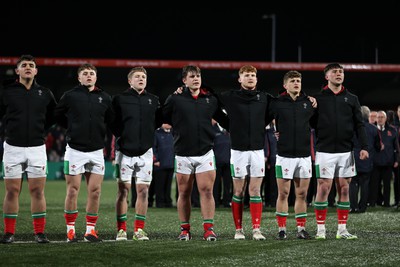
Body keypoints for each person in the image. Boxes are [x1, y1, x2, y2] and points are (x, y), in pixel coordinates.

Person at [163, 65, 228, 241]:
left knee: (207, 191)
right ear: (184, 80)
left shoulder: (210, 100)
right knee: (184, 193)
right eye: (191, 76)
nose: (196, 79)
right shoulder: (174, 99)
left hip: (205, 152)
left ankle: (208, 229)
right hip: (183, 153)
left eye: (198, 76)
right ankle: (185, 230)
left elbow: (227, 121)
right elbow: (161, 118)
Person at [55, 63, 114, 243]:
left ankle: (90, 231)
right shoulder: (70, 96)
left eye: (92, 73)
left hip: (96, 151)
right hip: (75, 150)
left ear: (96, 77)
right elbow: (57, 115)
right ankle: (70, 230)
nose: (89, 76)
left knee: (95, 191)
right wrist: (72, 128)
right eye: (85, 73)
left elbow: (110, 120)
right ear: (79, 78)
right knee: (72, 191)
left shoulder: (104, 97)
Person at [0, 55, 57, 243]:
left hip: (36, 148)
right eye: (23, 65)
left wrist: (40, 130)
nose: (27, 68)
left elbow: (52, 116)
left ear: (36, 71)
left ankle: (39, 232)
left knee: (38, 191)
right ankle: (9, 233)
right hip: (12, 147)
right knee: (11, 191)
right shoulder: (6, 91)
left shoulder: (45, 93)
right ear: (17, 71)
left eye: (31, 65)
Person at [312, 63, 369, 240]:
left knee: (344, 188)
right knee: (323, 188)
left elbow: (359, 125)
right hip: (324, 150)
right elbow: (311, 123)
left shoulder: (352, 98)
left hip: (346, 151)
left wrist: (364, 147)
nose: (339, 74)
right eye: (335, 72)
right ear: (326, 76)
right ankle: (320, 229)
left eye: (341, 72)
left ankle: (342, 229)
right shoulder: (318, 98)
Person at [218, 65, 274, 240]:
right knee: (239, 191)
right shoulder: (229, 96)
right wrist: (231, 126)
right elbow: (212, 105)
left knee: (256, 190)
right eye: (246, 75)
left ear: (256, 79)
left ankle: (256, 229)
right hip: (238, 151)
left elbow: (280, 107)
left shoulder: (265, 98)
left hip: (257, 150)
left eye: (253, 75)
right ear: (239, 79)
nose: (250, 78)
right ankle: (239, 230)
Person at [111, 66, 163, 241]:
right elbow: (112, 123)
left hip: (145, 153)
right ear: (129, 80)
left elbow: (156, 122)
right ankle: (121, 230)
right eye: (137, 77)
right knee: (123, 191)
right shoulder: (119, 99)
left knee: (143, 191)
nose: (141, 79)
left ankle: (139, 230)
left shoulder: (153, 100)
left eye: (143, 77)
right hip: (123, 153)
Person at [270, 70, 316, 240]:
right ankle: (282, 229)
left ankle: (301, 229)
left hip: (304, 155)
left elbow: (317, 123)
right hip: (284, 155)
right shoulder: (277, 102)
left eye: (298, 81)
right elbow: (264, 119)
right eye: (293, 81)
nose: (296, 83)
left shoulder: (309, 102)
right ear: (285, 85)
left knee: (302, 194)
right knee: (283, 193)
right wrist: (273, 132)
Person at [349, 105, 381, 213]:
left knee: (353, 183)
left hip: (354, 159)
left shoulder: (352, 127)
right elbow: (378, 146)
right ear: (368, 115)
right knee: (365, 184)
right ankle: (362, 207)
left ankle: (353, 207)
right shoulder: (374, 129)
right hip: (367, 159)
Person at [152, 123, 175, 208]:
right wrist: (156, 160)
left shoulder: (173, 133)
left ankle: (168, 202)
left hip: (170, 163)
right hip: (160, 164)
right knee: (159, 185)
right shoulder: (157, 133)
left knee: (168, 185)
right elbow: (153, 147)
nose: (169, 124)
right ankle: (160, 202)